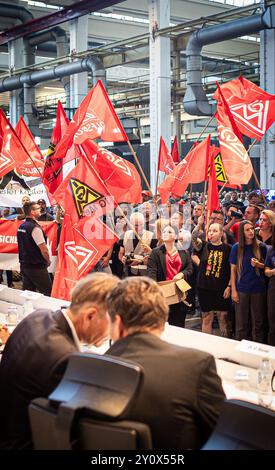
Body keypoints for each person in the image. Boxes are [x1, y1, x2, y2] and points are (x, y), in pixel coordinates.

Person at [0, 272, 119, 449]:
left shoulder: (36, 317)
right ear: (90, 316)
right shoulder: (67, 359)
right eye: (112, 323)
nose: (112, 333)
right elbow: (77, 428)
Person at [106, 276, 225, 450]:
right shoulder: (197, 365)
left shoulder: (86, 368)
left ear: (117, 323)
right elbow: (222, 435)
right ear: (162, 320)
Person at [147, 225, 193, 328]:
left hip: (178, 292)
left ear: (176, 236)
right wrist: (155, 291)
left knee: (178, 325)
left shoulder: (184, 252)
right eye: (164, 231)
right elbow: (151, 272)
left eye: (169, 232)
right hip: (162, 293)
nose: (165, 233)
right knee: (160, 326)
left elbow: (190, 269)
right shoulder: (156, 252)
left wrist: (182, 274)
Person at [230, 220, 267, 343]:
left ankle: (258, 351)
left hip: (258, 289)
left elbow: (267, 267)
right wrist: (233, 290)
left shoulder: (261, 247)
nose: (251, 231)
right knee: (241, 324)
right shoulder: (236, 248)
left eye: (252, 228)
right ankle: (240, 352)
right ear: (242, 232)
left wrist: (258, 265)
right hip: (242, 289)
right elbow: (233, 270)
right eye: (247, 229)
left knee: (258, 323)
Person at [192, 223, 231, 337]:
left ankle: (224, 344)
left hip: (222, 288)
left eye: (214, 231)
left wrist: (229, 287)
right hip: (204, 288)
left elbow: (232, 270)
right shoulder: (203, 246)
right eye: (209, 231)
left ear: (221, 233)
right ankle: (207, 345)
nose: (211, 233)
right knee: (207, 317)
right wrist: (199, 224)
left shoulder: (228, 248)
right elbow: (194, 238)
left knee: (222, 317)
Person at [17, 201, 52, 296]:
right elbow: (44, 249)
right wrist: (47, 260)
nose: (40, 209)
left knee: (28, 294)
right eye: (37, 208)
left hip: (25, 265)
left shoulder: (21, 226)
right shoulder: (34, 228)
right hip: (37, 267)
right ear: (32, 212)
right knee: (47, 293)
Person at [265, 224, 275, 345]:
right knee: (272, 324)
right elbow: (266, 271)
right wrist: (272, 271)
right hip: (273, 288)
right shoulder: (271, 250)